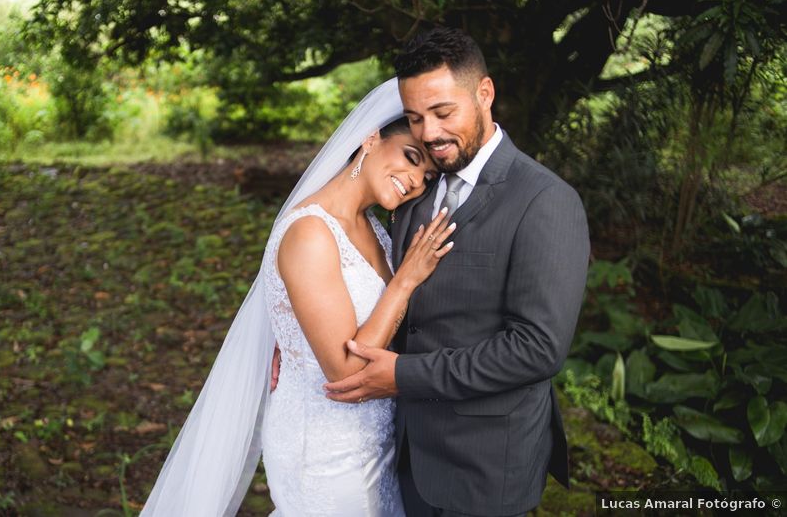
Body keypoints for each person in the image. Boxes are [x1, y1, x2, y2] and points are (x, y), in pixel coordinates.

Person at [139, 78, 453, 516]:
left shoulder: (376, 231)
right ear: (370, 139)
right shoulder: (309, 233)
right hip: (322, 451)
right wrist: (405, 282)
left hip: (374, 442)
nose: (416, 181)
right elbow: (344, 369)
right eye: (410, 157)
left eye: (427, 176)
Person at [324, 27, 591, 516]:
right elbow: (384, 282)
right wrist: (305, 335)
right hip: (402, 455)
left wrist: (405, 376)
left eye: (443, 113)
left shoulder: (546, 201)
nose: (429, 134)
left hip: (486, 465)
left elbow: (537, 349)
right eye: (414, 118)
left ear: (484, 94)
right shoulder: (417, 186)